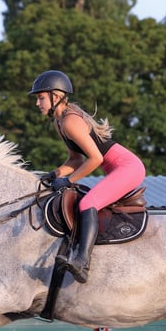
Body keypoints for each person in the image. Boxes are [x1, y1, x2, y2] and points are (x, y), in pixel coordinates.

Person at [29, 70, 146, 283]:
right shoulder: (59, 123)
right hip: (119, 168)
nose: (38, 103)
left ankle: (82, 262)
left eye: (40, 97)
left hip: (128, 167)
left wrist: (69, 180)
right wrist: (54, 174)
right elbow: (75, 161)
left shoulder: (69, 122)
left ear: (55, 97)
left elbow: (95, 159)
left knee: (88, 202)